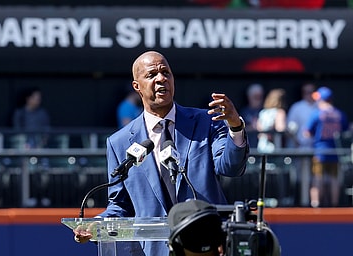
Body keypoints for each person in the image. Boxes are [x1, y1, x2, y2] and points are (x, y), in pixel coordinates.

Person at [74, 51, 249, 255]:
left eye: (166, 72)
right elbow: (120, 205)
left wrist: (235, 127)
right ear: (136, 86)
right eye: (151, 75)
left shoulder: (206, 122)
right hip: (156, 249)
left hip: (207, 246)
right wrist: (95, 226)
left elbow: (231, 167)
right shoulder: (118, 143)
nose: (161, 79)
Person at [304, 86, 349, 207]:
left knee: (317, 178)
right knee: (334, 179)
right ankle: (334, 205)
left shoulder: (317, 114)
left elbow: (307, 132)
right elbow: (346, 130)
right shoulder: (340, 114)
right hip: (335, 152)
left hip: (320, 151)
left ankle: (316, 205)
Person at [256, 88, 287, 153]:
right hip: (274, 148)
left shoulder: (263, 112)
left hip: (261, 147)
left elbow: (259, 130)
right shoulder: (280, 112)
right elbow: (281, 128)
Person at [286, 83, 317, 148]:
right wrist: (296, 142)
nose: (309, 94)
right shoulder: (296, 107)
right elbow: (290, 128)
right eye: (307, 92)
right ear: (303, 93)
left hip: (316, 147)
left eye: (311, 92)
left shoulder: (320, 106)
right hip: (301, 147)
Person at [239, 83, 264, 148]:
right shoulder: (244, 112)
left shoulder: (265, 112)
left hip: (263, 147)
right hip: (247, 147)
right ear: (249, 97)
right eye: (255, 97)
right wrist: (251, 128)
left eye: (260, 97)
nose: (258, 100)